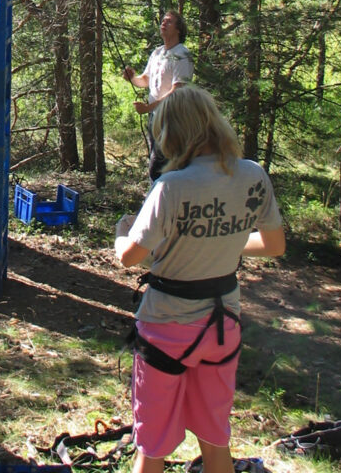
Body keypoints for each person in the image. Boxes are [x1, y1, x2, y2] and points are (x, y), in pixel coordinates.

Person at [114, 84, 286, 473]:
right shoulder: (252, 175)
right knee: (215, 438)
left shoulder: (171, 187)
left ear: (172, 134)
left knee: (152, 446)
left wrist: (120, 233)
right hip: (222, 325)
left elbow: (129, 258)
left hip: (166, 328)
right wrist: (222, 240)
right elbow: (275, 245)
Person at [123, 10, 193, 181]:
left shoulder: (182, 55)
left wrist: (148, 107)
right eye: (163, 21)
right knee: (157, 162)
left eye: (169, 22)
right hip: (155, 117)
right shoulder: (157, 53)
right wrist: (132, 78)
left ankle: (164, 200)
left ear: (178, 29)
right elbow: (146, 80)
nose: (163, 23)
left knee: (163, 165)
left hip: (172, 118)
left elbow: (178, 90)